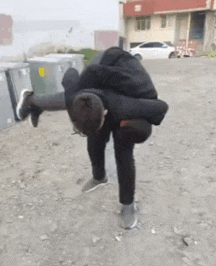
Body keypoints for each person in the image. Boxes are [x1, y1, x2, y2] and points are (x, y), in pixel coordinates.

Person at [16, 47, 168, 229]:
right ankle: (31, 101)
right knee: (90, 124)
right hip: (104, 64)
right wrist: (74, 114)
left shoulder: (143, 108)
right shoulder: (97, 97)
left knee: (123, 153)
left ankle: (128, 206)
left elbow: (162, 107)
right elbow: (72, 81)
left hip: (120, 79)